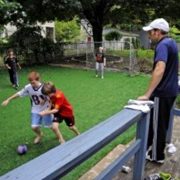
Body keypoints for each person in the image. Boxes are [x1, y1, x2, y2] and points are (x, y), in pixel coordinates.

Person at [138, 18, 179, 163]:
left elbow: (160, 68)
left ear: (158, 32)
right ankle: (151, 148)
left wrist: (148, 94)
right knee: (161, 123)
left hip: (162, 93)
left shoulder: (162, 45)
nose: (149, 34)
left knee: (157, 125)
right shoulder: (172, 43)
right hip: (172, 91)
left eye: (151, 31)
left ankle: (157, 156)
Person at [1, 71, 55, 144]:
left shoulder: (44, 87)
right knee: (34, 127)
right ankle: (39, 135)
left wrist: (45, 100)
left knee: (52, 126)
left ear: (38, 80)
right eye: (30, 82)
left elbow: (52, 96)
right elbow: (19, 93)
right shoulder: (28, 87)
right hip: (35, 109)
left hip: (46, 109)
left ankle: (58, 136)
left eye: (33, 82)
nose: (32, 84)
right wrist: (8, 99)